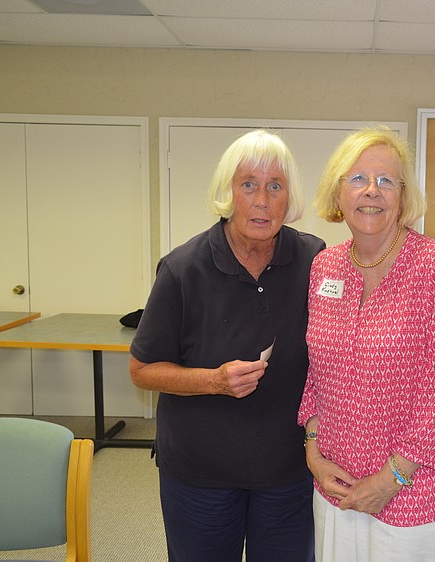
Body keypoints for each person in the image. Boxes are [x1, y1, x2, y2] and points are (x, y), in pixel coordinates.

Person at [129, 130, 325, 562]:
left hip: (288, 472)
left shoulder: (315, 260)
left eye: (275, 186)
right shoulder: (183, 269)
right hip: (200, 473)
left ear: (288, 197)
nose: (262, 200)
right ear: (227, 193)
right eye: (248, 184)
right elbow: (142, 369)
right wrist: (213, 381)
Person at [297, 125, 435, 562]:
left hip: (412, 491)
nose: (371, 191)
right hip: (335, 483)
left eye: (386, 180)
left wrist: (392, 478)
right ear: (338, 193)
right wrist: (313, 451)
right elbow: (315, 372)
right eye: (357, 179)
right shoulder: (325, 267)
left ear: (403, 195)